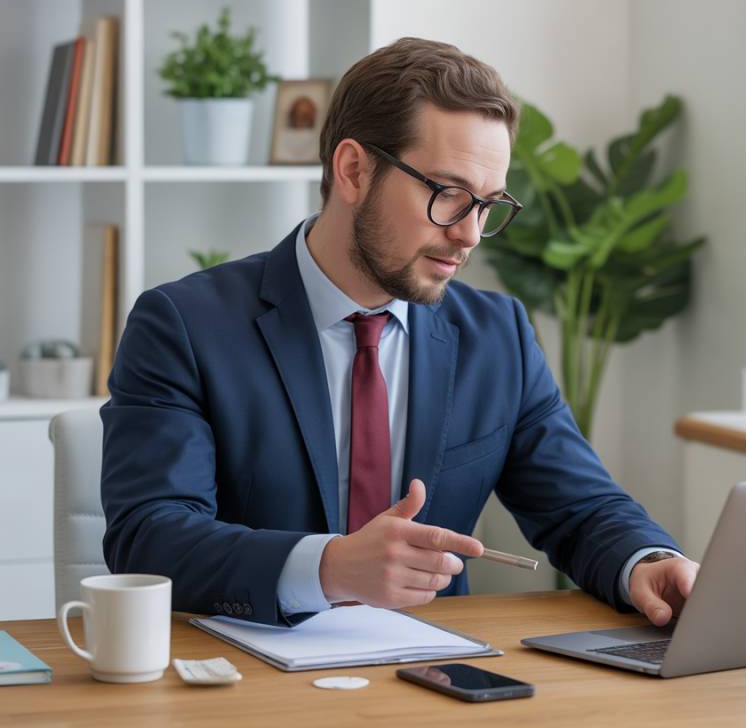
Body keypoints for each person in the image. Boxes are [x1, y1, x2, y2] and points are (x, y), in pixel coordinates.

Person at [101, 37, 699, 629]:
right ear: (354, 170)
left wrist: (645, 561)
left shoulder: (498, 336)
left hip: (434, 673)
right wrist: (330, 567)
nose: (469, 235)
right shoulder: (184, 325)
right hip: (246, 674)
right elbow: (149, 537)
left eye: (488, 205)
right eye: (449, 195)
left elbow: (582, 507)